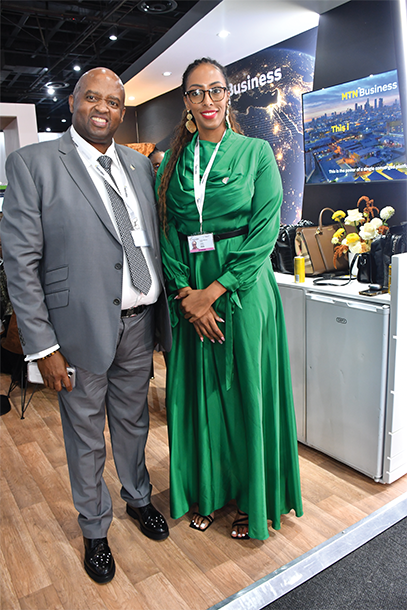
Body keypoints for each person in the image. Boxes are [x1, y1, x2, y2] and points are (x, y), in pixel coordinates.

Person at [0, 67, 172, 584]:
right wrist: (42, 347)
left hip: (139, 323)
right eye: (92, 98)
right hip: (76, 330)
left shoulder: (138, 166)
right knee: (85, 434)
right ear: (73, 101)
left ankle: (137, 498)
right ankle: (95, 529)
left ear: (122, 111)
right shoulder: (33, 164)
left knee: (134, 422)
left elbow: (144, 239)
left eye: (113, 102)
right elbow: (21, 264)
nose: (103, 109)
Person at [156, 57, 303, 540]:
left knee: (245, 392)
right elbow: (167, 231)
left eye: (216, 90)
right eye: (197, 92)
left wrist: (213, 292)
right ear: (186, 101)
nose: (208, 100)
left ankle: (249, 498)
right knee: (200, 393)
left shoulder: (256, 152)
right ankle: (209, 491)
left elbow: (264, 231)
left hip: (243, 285)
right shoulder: (173, 162)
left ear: (227, 95)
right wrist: (186, 293)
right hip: (190, 288)